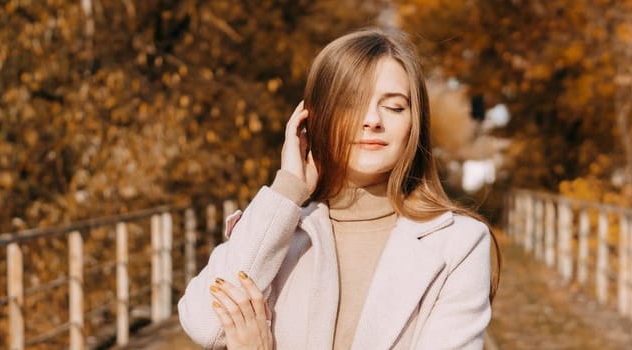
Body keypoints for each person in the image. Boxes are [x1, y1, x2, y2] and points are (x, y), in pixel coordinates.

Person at [178, 28, 499, 349]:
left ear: (414, 124)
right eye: (351, 102)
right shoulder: (278, 228)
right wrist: (287, 187)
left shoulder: (459, 243)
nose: (372, 119)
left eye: (395, 107)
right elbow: (206, 325)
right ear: (314, 119)